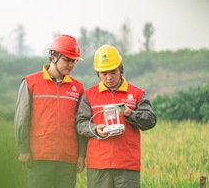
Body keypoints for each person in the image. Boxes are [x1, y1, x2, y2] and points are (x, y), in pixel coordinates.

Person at [76, 44, 156, 188]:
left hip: (127, 164)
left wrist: (130, 113)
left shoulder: (137, 94)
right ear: (98, 73)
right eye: (104, 73)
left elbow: (150, 120)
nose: (109, 78)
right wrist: (95, 129)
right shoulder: (89, 95)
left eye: (113, 72)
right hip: (98, 165)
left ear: (121, 69)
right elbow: (80, 123)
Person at [15, 34, 87, 188]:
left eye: (73, 61)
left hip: (68, 158)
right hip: (39, 156)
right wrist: (23, 149)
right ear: (53, 57)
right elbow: (22, 118)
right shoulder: (30, 83)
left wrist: (81, 155)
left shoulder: (78, 88)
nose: (71, 64)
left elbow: (80, 123)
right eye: (67, 59)